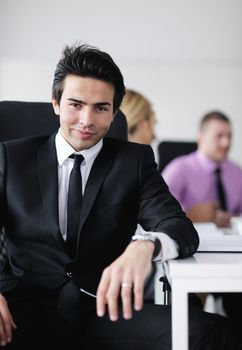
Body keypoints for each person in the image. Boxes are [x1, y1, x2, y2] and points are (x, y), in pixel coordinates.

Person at [0, 44, 238, 350]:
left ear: (114, 113)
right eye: (76, 105)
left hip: (103, 309)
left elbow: (179, 228)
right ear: (56, 103)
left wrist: (146, 246)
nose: (86, 120)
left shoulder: (134, 162)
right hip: (23, 312)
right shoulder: (11, 157)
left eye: (100, 108)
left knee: (212, 332)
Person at [162, 111, 242, 228]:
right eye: (219, 136)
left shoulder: (237, 172)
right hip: (193, 240)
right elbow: (162, 212)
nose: (226, 143)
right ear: (201, 138)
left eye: (229, 136)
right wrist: (192, 215)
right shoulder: (179, 169)